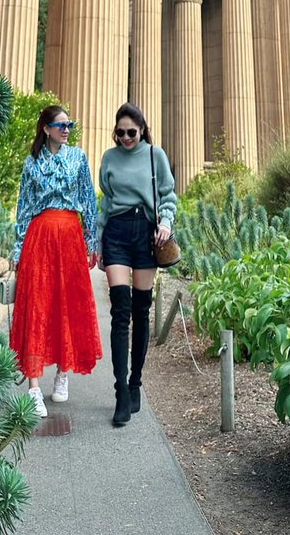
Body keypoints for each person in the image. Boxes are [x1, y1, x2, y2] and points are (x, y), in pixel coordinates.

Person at [10, 105, 102, 418]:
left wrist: (92, 242)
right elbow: (23, 206)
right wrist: (17, 248)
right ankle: (34, 387)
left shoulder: (78, 157)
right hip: (40, 234)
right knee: (37, 304)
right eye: (61, 125)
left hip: (70, 236)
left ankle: (63, 373)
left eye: (69, 125)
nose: (66, 129)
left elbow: (89, 200)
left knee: (68, 304)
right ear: (46, 128)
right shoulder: (32, 161)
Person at [97, 102, 177, 427]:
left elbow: (169, 196)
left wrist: (166, 223)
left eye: (132, 132)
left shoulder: (155, 155)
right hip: (116, 232)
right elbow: (106, 201)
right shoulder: (109, 158)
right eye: (121, 132)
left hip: (147, 234)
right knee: (120, 312)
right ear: (115, 132)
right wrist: (98, 241)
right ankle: (119, 393)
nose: (126, 137)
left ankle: (135, 384)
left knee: (141, 312)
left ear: (142, 130)